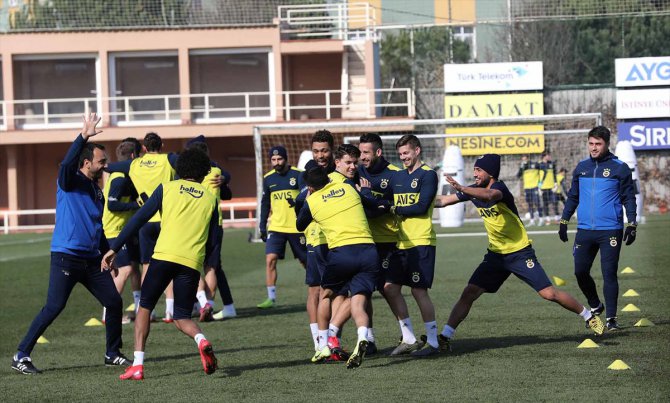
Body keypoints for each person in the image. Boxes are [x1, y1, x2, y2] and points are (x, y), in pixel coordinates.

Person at [433, 154, 605, 352]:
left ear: (491, 173)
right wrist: (418, 200)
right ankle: (445, 337)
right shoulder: (473, 190)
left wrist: (463, 188)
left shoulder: (500, 189)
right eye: (474, 170)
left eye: (479, 170)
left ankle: (588, 316)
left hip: (519, 253)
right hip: (496, 255)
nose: (475, 174)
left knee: (549, 293)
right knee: (469, 293)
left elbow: (489, 196)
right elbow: (443, 201)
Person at [12, 113, 130, 375]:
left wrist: (107, 254)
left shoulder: (97, 191)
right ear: (87, 163)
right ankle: (21, 354)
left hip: (91, 260)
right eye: (101, 161)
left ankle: (112, 353)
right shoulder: (69, 180)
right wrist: (83, 136)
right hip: (66, 257)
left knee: (113, 301)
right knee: (54, 307)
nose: (105, 165)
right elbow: (66, 164)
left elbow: (97, 226)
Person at [102, 147, 220, 380]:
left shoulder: (167, 188)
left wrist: (114, 248)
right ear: (204, 171)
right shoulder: (210, 198)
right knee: (182, 316)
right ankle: (201, 339)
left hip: (163, 257)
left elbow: (139, 219)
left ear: (181, 168)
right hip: (191, 262)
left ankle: (138, 365)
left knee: (145, 308)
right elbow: (213, 239)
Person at [296, 166, 379, 369]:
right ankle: (363, 336)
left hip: (342, 252)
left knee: (325, 295)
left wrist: (307, 199)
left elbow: (300, 225)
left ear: (310, 187)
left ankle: (323, 345)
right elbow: (370, 202)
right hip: (369, 251)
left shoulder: (312, 201)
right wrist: (365, 191)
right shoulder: (348, 188)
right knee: (358, 300)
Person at [558, 126, 638, 331]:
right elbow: (573, 197)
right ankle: (595, 304)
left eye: (598, 144)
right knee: (580, 271)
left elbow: (629, 198)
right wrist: (564, 221)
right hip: (584, 230)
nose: (593, 148)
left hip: (610, 230)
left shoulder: (620, 168)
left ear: (607, 144)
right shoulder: (581, 167)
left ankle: (611, 319)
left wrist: (632, 223)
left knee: (609, 273)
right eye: (591, 143)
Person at [106, 132, 178, 322]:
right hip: (166, 219)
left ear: (144, 148)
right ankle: (170, 311)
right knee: (168, 264)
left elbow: (108, 167)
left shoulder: (135, 164)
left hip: (145, 222)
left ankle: (148, 310)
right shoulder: (169, 159)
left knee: (146, 266)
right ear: (162, 145)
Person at [385, 135, 439, 357]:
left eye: (406, 153)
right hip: (401, 243)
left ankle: (433, 342)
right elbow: (385, 199)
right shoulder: (398, 177)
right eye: (400, 154)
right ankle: (408, 338)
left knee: (418, 290)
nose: (403, 157)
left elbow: (421, 206)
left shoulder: (428, 175)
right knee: (390, 288)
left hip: (421, 242)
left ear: (417, 151)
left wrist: (394, 209)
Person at [357, 133, 401, 355]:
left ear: (378, 152)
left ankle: (407, 334)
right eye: (360, 152)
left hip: (388, 241)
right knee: (363, 291)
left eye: (366, 152)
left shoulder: (394, 174)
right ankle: (369, 339)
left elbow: (388, 208)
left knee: (388, 289)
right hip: (364, 241)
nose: (362, 157)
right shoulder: (356, 172)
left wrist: (370, 202)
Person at [185, 136, 237, 321]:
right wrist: (225, 178)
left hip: (195, 223)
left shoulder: (189, 174)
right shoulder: (216, 171)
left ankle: (201, 302)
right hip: (216, 224)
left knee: (188, 263)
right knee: (212, 267)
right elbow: (228, 193)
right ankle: (208, 305)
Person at [257, 145, 307, 309]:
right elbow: (265, 204)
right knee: (270, 259)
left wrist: (297, 202)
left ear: (286, 159)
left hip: (297, 228)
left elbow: (306, 196)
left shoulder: (298, 175)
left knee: (305, 262)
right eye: (273, 159)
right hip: (276, 227)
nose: (276, 162)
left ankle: (319, 288)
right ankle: (271, 298)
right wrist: (262, 226)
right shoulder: (268, 178)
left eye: (279, 159)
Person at [101, 140, 142, 324]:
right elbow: (112, 204)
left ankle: (139, 308)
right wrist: (136, 205)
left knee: (132, 268)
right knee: (125, 270)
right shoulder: (119, 178)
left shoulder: (125, 175)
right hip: (114, 231)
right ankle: (109, 314)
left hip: (123, 230)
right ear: (133, 156)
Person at [517, 155, 542, 226]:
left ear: (528, 159)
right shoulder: (523, 167)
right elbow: (518, 175)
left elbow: (541, 173)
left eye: (525, 159)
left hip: (535, 187)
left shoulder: (535, 164)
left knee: (537, 203)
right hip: (527, 188)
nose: (524, 161)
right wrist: (521, 167)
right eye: (523, 160)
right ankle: (532, 221)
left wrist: (540, 185)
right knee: (530, 204)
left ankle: (541, 219)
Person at [538, 151, 559, 224]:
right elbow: (538, 176)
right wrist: (539, 187)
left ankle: (557, 218)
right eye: (548, 155)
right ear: (544, 156)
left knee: (555, 202)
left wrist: (555, 184)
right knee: (545, 204)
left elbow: (554, 174)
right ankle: (548, 219)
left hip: (552, 187)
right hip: (543, 188)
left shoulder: (552, 164)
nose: (549, 156)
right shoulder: (539, 164)